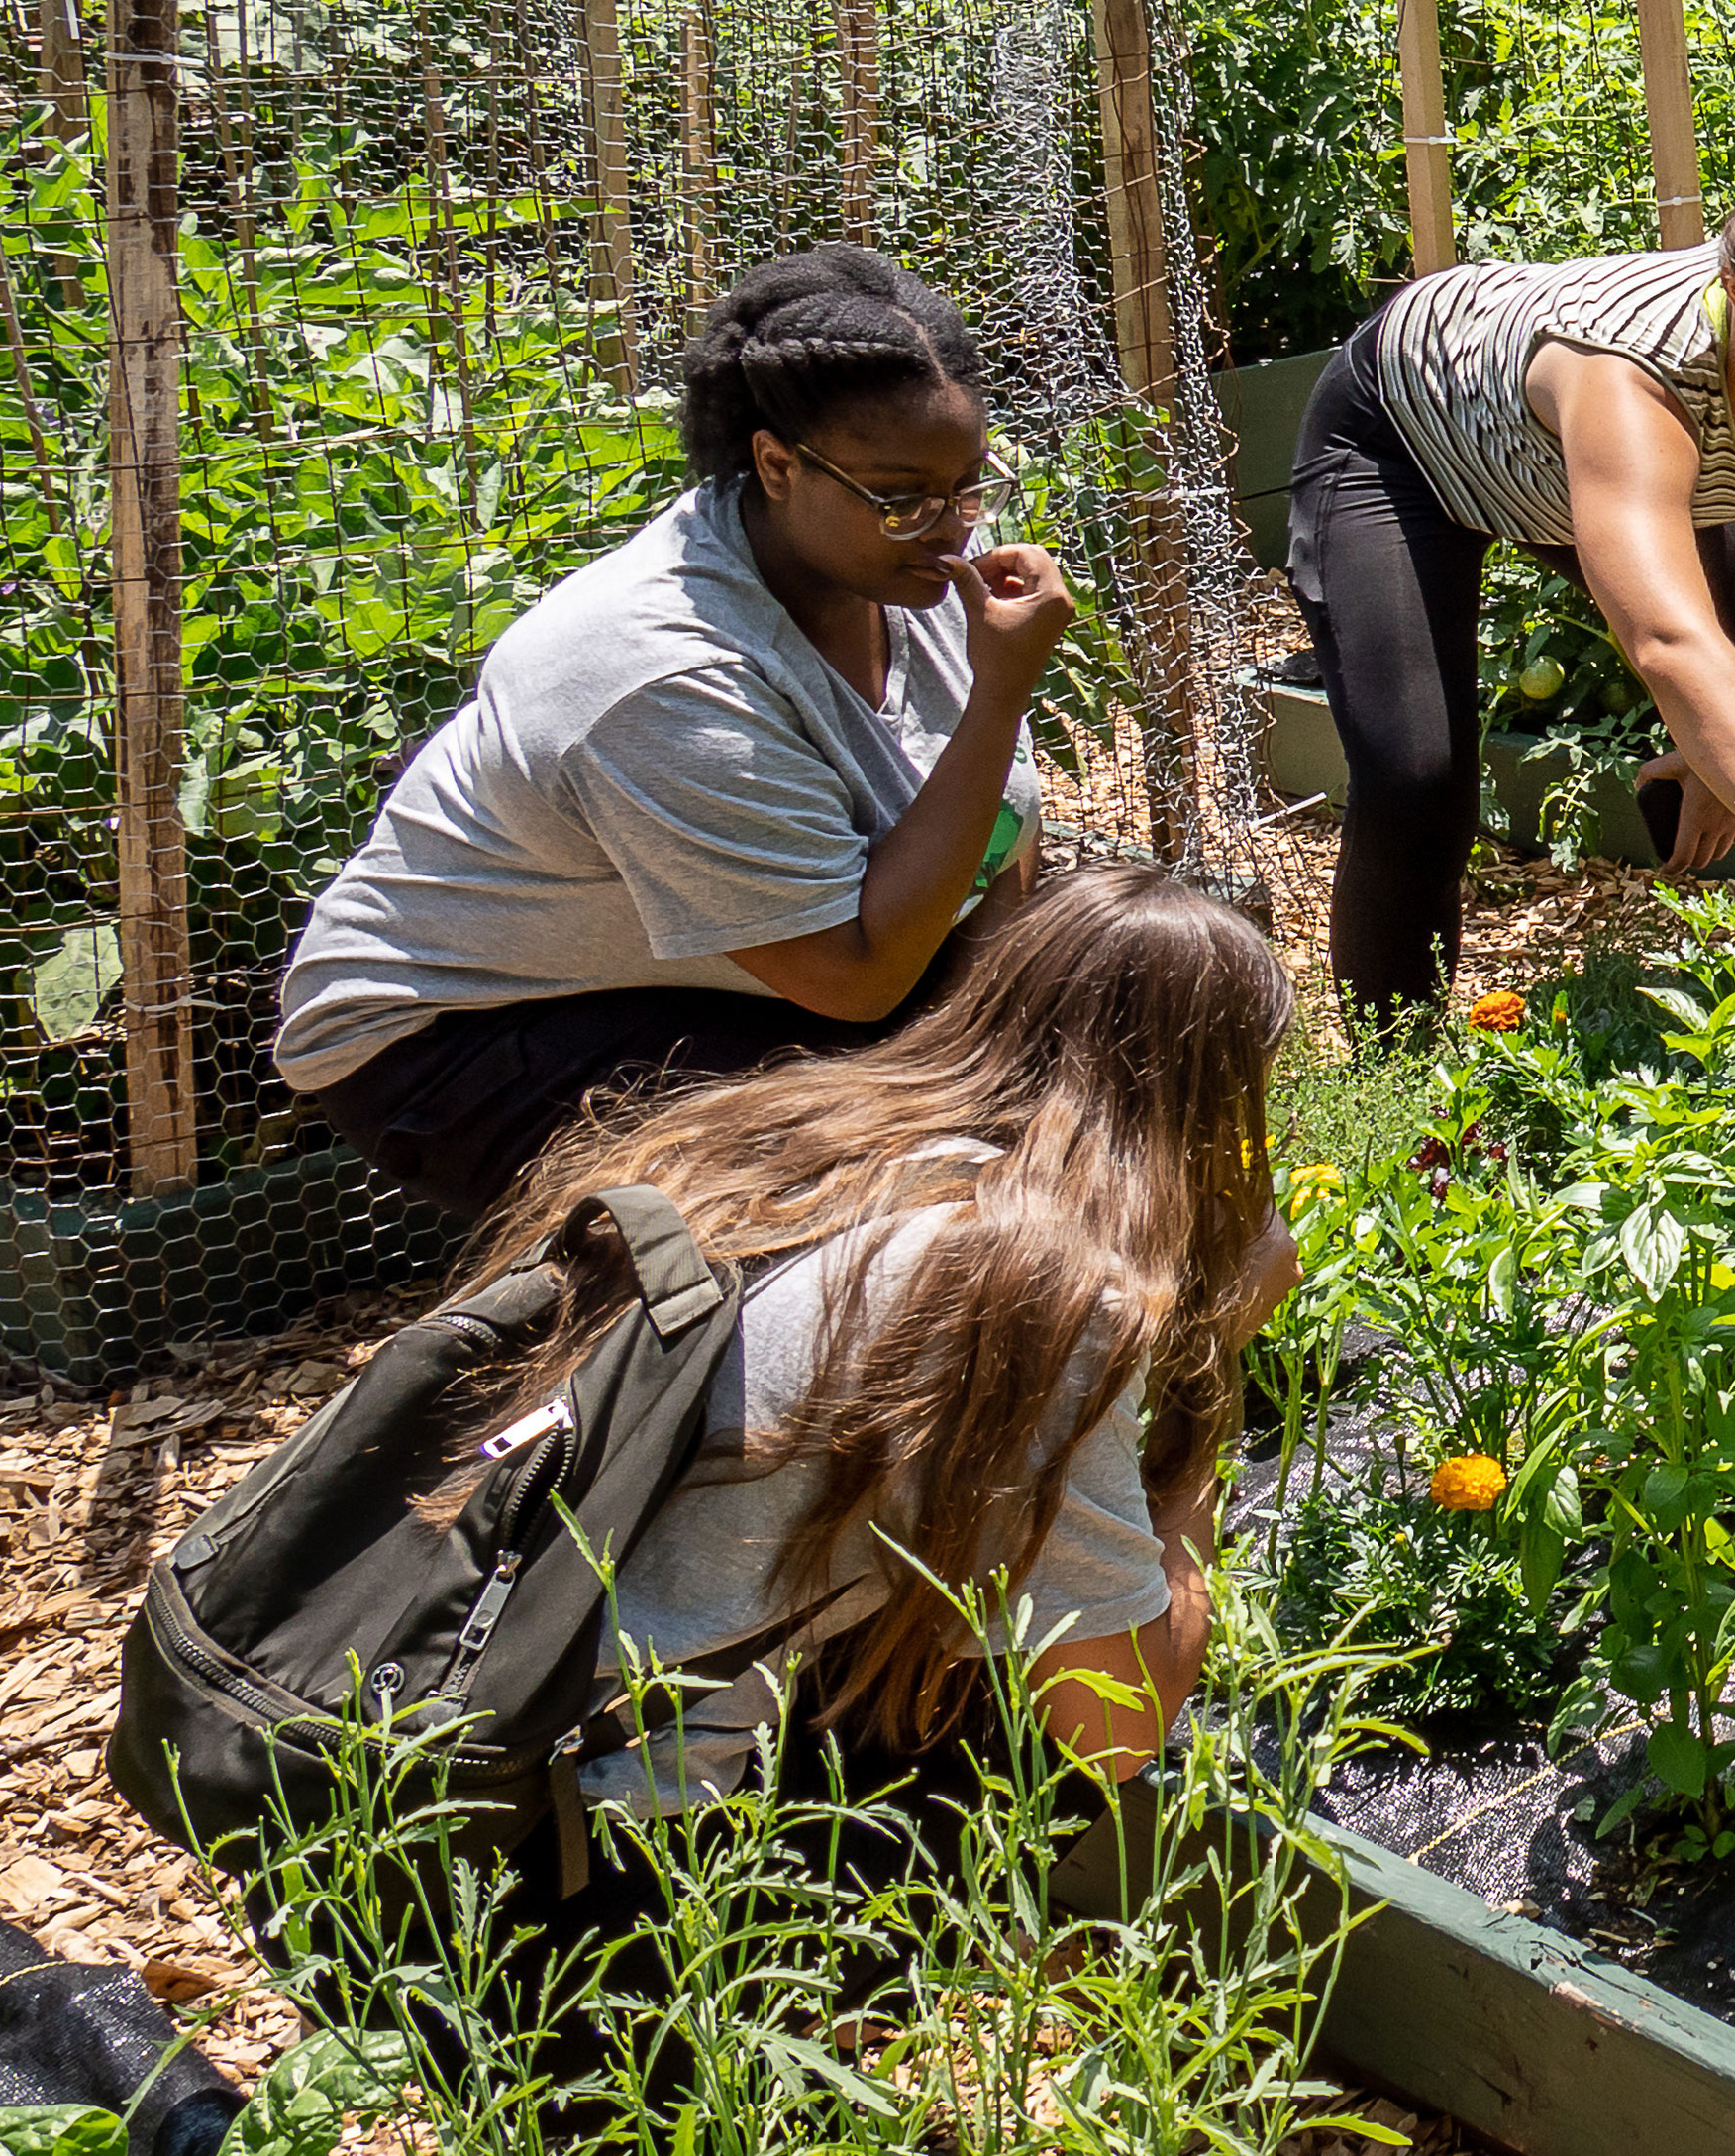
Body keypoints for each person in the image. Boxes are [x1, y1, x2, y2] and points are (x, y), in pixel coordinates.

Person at [393, 860, 1293, 2055]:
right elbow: (1119, 1722)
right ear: (1209, 1094)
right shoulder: (1032, 1292)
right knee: (1039, 1710)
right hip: (567, 1881)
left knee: (957, 1601)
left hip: (424, 1720)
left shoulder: (789, 1138)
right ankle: (722, 2057)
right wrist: (1207, 1369)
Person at [276, 247, 1064, 1221]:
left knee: (1108, 1018)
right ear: (777, 464)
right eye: (903, 497)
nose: (950, 529)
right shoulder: (663, 673)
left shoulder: (921, 557)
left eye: (968, 486)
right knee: (893, 1185)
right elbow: (855, 981)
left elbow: (1003, 830)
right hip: (465, 1040)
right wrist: (997, 699)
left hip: (747, 965)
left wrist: (1016, 1053)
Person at [1285, 89, 1735, 1010]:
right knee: (1418, 779)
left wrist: (1734, 762)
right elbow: (1669, 641)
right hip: (1402, 438)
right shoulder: (1630, 378)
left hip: (1575, 462)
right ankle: (1398, 1090)